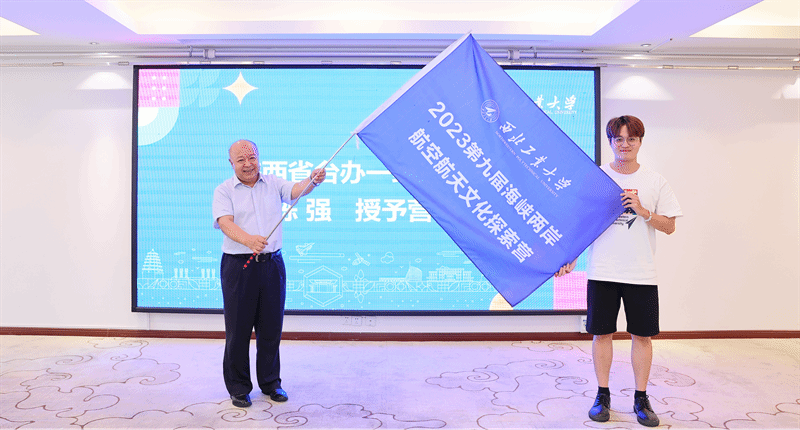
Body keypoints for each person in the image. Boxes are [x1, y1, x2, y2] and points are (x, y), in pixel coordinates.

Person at [555, 115, 682, 427]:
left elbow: (669, 226)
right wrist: (571, 257)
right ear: (611, 142)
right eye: (619, 139)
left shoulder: (655, 181)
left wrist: (643, 211)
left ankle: (641, 398)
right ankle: (602, 395)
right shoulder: (596, 179)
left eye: (631, 139)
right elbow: (583, 222)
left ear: (640, 142)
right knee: (601, 334)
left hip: (641, 273)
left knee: (643, 336)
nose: (625, 145)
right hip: (602, 271)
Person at [212, 139, 326, 408]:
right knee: (238, 331)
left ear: (258, 158)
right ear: (231, 163)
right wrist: (249, 240)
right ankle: (239, 388)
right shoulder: (224, 190)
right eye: (241, 160)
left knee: (271, 328)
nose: (248, 164)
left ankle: (271, 383)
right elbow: (224, 223)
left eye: (252, 157)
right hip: (239, 266)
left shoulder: (273, 183)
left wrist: (312, 180)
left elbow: (296, 190)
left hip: (272, 265)